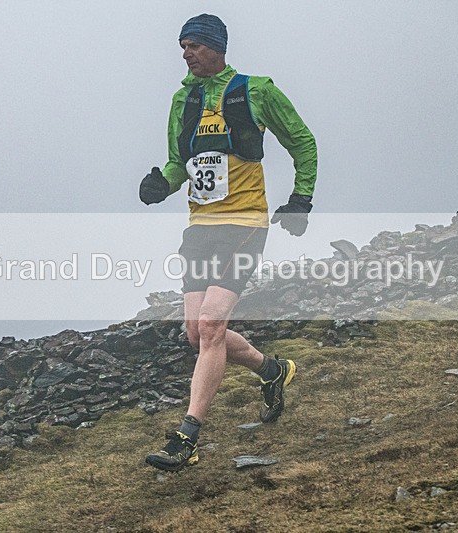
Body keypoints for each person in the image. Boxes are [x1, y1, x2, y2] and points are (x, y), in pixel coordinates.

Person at [140, 14, 318, 472]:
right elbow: (181, 163)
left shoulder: (255, 90)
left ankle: (188, 435)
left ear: (216, 46)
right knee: (197, 333)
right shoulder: (184, 98)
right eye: (182, 46)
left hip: (244, 225)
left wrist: (300, 198)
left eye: (194, 45)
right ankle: (273, 370)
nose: (185, 54)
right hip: (200, 229)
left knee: (213, 326)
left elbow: (302, 141)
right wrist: (163, 182)